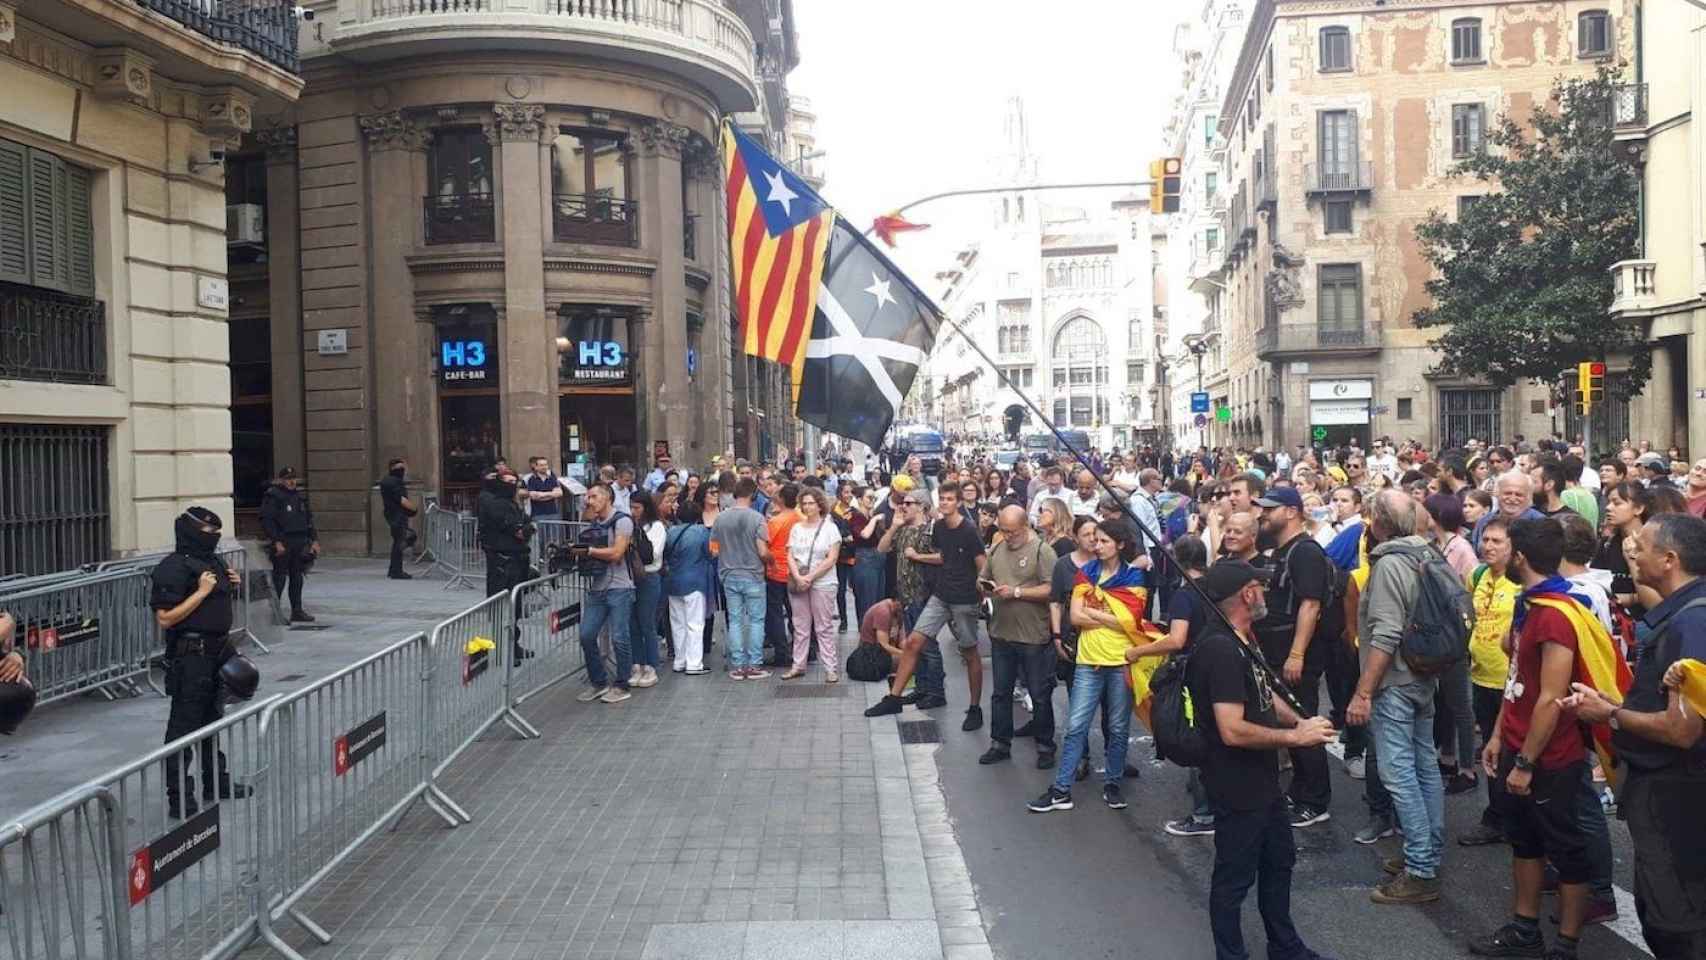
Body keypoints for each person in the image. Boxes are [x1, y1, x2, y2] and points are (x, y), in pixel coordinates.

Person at [1560, 512, 1706, 957]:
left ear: (1669, 559)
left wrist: (1611, 714)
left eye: (1640, 546)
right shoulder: (1682, 616)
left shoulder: (1691, 624)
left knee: (1676, 924)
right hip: (1671, 793)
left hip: (1675, 798)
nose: (1631, 553)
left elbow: (1682, 730)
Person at [1187, 559, 1338, 960]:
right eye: (1260, 586)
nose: (1266, 593)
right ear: (1247, 594)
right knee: (1233, 879)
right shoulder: (1219, 648)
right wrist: (1294, 737)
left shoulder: (1240, 638)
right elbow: (1232, 729)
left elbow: (1261, 693)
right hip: (1235, 784)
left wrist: (1301, 720)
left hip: (1264, 781)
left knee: (1278, 862)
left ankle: (1284, 946)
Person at [1469, 518, 1600, 959]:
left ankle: (1567, 943)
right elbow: (1516, 679)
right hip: (1517, 743)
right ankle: (1524, 927)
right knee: (1523, 840)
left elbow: (1550, 697)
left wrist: (1525, 763)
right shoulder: (1530, 605)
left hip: (1550, 756)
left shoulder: (1556, 614)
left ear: (1520, 556)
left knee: (1565, 847)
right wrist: (1497, 735)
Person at [1345, 490, 1445, 905]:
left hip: (1395, 682)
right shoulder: (1429, 554)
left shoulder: (1388, 565)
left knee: (1399, 773)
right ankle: (1427, 853)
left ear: (1379, 521)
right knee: (1424, 768)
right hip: (1424, 676)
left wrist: (1363, 692)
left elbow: (1384, 633)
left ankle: (1421, 869)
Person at [1028, 517, 1152, 813]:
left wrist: (1095, 610)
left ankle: (1113, 783)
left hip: (1120, 662)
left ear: (1120, 544)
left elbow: (1131, 621)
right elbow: (1076, 617)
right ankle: (1060, 790)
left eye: (1104, 541)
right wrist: (1109, 615)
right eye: (1095, 540)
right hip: (1087, 661)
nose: (1098, 545)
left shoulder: (1134, 577)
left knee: (1119, 727)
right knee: (1075, 728)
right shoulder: (1084, 574)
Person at [150, 508, 252, 818]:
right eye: (208, 531)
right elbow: (165, 618)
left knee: (212, 722)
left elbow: (216, 602)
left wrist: (230, 584)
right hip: (190, 657)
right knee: (183, 727)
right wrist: (202, 592)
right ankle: (180, 797)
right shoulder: (172, 568)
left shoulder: (213, 561)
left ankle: (216, 783)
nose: (214, 537)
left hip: (217, 653)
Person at [1253, 486, 1337, 827]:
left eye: (1269, 509)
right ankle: (1300, 789)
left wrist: (1297, 654)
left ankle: (1316, 800)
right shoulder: (1281, 551)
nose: (1263, 515)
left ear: (1290, 511)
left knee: (1303, 722)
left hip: (1295, 655)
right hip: (1277, 651)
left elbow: (1311, 604)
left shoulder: (1305, 553)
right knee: (1290, 721)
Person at [866, 485, 985, 723]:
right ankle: (893, 698)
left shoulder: (968, 530)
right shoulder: (939, 527)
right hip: (940, 596)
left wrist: (983, 587)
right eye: (942, 498)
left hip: (963, 598)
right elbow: (942, 555)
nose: (945, 502)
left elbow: (981, 562)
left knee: (969, 652)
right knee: (913, 643)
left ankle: (974, 708)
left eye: (950, 499)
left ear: (959, 502)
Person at [980, 505, 1058, 768]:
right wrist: (986, 588)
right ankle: (1000, 743)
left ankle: (1045, 745)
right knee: (1000, 693)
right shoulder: (997, 548)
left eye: (1012, 531)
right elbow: (982, 578)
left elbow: (1051, 590)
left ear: (1025, 527)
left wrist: (1016, 593)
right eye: (1002, 530)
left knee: (1039, 694)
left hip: (1033, 635)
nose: (1006, 536)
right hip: (1001, 632)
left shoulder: (1042, 551)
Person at [573, 482, 637, 704]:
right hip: (598, 588)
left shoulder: (623, 521)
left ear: (607, 498)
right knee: (586, 635)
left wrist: (589, 551)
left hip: (620, 587)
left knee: (620, 637)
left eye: (593, 497)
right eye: (587, 497)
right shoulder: (592, 524)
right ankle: (598, 682)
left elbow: (617, 553)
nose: (588, 501)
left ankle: (622, 683)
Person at [711, 478, 771, 680]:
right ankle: (754, 665)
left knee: (735, 620)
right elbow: (763, 551)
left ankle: (737, 666)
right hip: (753, 574)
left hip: (729, 574)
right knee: (756, 620)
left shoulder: (720, 518)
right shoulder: (758, 519)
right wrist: (771, 559)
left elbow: (713, 549)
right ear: (753, 495)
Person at [477, 470, 536, 662]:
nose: (514, 486)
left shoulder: (513, 504)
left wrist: (527, 528)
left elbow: (527, 525)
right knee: (501, 608)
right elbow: (520, 531)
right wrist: (527, 529)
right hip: (501, 562)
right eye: (509, 482)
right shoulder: (494, 503)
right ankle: (503, 650)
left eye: (515, 481)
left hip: (517, 560)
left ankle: (514, 645)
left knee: (515, 607)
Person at [785, 488, 842, 681]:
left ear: (820, 505)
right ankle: (797, 665)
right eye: (805, 503)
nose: (808, 507)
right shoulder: (796, 528)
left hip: (823, 582)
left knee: (823, 626)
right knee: (800, 625)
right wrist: (798, 576)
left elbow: (831, 558)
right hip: (799, 580)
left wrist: (809, 577)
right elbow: (790, 555)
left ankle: (830, 668)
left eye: (811, 503)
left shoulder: (830, 528)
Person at [258, 466, 319, 623]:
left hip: (300, 541)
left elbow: (308, 520)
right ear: (281, 480)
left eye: (293, 478)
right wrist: (276, 541)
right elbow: (267, 520)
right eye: (287, 479)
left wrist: (314, 540)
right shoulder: (273, 496)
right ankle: (274, 613)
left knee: (297, 577)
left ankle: (297, 611)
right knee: (279, 579)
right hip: (283, 541)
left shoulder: (299, 497)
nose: (291, 481)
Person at [663, 493, 714, 676]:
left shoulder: (671, 531)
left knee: (677, 623)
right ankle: (694, 663)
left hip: (673, 582)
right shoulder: (702, 532)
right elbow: (710, 554)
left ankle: (680, 660)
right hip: (695, 582)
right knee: (695, 623)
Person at [628, 490, 665, 689]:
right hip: (630, 577)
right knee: (633, 623)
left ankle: (651, 664)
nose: (633, 512)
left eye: (637, 508)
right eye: (631, 507)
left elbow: (653, 554)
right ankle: (637, 663)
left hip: (649, 576)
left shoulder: (656, 526)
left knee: (647, 622)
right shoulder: (630, 524)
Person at [764, 483, 802, 667]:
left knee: (776, 614)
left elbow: (766, 545)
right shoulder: (800, 518)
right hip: (795, 571)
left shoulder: (775, 521)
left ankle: (782, 652)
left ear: (781, 499)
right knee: (798, 612)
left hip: (777, 571)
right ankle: (804, 649)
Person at [378, 458, 417, 580]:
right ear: (392, 468)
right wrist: (414, 509)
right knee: (402, 540)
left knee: (398, 541)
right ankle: (396, 571)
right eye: (400, 468)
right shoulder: (394, 482)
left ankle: (393, 569)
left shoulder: (387, 480)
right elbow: (401, 500)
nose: (403, 471)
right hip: (397, 515)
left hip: (392, 514)